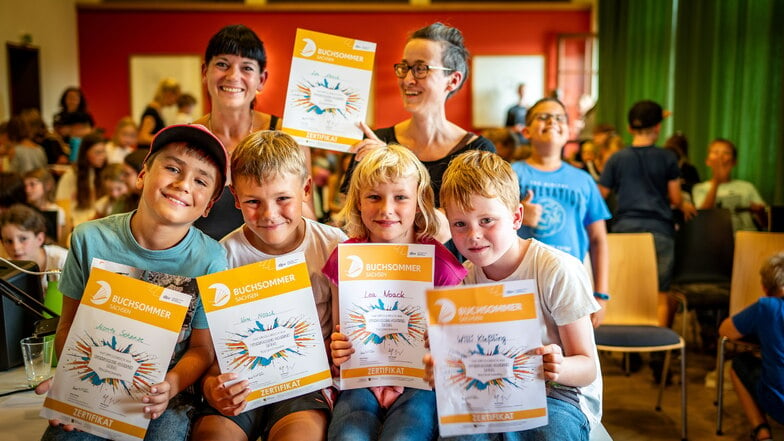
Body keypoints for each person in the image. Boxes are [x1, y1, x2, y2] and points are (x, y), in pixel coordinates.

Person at [38, 123, 230, 441]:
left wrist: (170, 386)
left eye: (200, 180)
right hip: (92, 381)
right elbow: (67, 327)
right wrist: (71, 386)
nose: (183, 184)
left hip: (164, 396)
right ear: (142, 175)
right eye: (172, 168)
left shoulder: (210, 259)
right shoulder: (89, 239)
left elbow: (201, 349)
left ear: (208, 204)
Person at [431, 149, 602, 440]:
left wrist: (557, 367)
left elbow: (586, 367)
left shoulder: (555, 270)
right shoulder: (462, 280)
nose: (473, 235)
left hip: (558, 395)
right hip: (487, 394)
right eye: (460, 224)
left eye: (487, 220)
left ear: (516, 217)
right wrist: (439, 365)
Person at [191, 130, 346, 441]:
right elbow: (207, 349)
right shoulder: (222, 256)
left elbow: (345, 333)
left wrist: (343, 355)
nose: (269, 214)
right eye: (253, 201)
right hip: (239, 382)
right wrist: (212, 387)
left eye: (283, 199)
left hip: (306, 384)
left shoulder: (333, 246)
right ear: (235, 197)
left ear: (305, 189)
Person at [325, 144, 466, 441]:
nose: (386, 209)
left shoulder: (441, 264)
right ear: (358, 202)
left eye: (400, 197)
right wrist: (337, 347)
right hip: (360, 381)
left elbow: (456, 344)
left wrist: (440, 342)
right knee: (348, 437)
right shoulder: (346, 258)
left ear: (419, 201)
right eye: (374, 197)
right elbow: (341, 330)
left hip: (420, 385)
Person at [341, 22, 495, 243]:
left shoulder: (478, 151)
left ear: (452, 80)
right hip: (381, 271)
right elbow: (350, 221)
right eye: (404, 67)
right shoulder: (375, 142)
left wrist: (391, 160)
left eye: (421, 68)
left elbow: (455, 229)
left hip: (450, 275)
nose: (407, 80)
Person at [512, 97, 611, 328]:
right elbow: (490, 223)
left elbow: (599, 241)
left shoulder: (583, 181)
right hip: (521, 283)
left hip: (570, 285)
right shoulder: (511, 174)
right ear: (526, 131)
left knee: (568, 354)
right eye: (543, 117)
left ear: (568, 132)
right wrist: (516, 216)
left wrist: (601, 294)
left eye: (559, 118)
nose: (552, 121)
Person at [598, 100, 696, 328]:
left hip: (624, 233)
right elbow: (674, 198)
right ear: (658, 128)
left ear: (630, 129)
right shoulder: (668, 158)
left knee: (624, 292)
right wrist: (684, 205)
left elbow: (599, 195)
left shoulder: (616, 159)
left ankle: (626, 347)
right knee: (659, 294)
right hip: (659, 232)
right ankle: (658, 352)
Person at [191, 24, 286, 241]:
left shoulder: (284, 135)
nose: (233, 76)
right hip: (205, 264)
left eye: (247, 68)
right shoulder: (189, 137)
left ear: (261, 79)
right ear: (205, 72)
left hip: (268, 265)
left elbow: (304, 212)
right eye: (223, 64)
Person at [718, 252, 784, 441]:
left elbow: (726, 330)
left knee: (739, 364)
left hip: (779, 406)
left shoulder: (767, 307)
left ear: (765, 288)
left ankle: (762, 432)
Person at [692, 138, 766, 231]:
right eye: (715, 152)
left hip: (747, 238)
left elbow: (766, 223)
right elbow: (702, 218)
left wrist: (760, 212)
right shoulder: (699, 188)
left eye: (726, 153)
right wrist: (716, 182)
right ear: (708, 161)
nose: (720, 157)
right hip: (714, 240)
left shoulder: (747, 187)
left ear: (734, 161)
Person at [0, 203, 67, 294]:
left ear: (40, 239)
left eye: (23, 239)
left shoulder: (62, 261)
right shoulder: (7, 270)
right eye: (8, 241)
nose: (16, 247)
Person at [55, 131, 108, 227]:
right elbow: (62, 204)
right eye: (97, 152)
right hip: (77, 224)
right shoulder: (71, 175)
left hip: (98, 223)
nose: (102, 157)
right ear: (86, 153)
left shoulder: (105, 173)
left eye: (103, 152)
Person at [23, 168, 66, 244]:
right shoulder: (24, 210)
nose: (27, 190)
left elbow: (56, 241)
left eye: (32, 184)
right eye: (25, 186)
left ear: (47, 185)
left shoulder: (57, 210)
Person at [138, 78, 180, 148]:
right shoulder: (151, 112)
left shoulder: (157, 110)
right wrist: (167, 139)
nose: (176, 101)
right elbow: (142, 138)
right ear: (169, 94)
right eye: (176, 97)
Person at [112, 148, 149, 214]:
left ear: (142, 175)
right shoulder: (125, 200)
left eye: (126, 174)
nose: (122, 178)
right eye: (122, 173)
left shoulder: (153, 207)